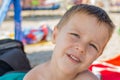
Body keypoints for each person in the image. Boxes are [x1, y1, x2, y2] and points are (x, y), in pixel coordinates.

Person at [0, 4, 115, 80]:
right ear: (55, 35)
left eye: (93, 46)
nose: (81, 47)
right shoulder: (34, 77)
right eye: (75, 35)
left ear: (98, 55)